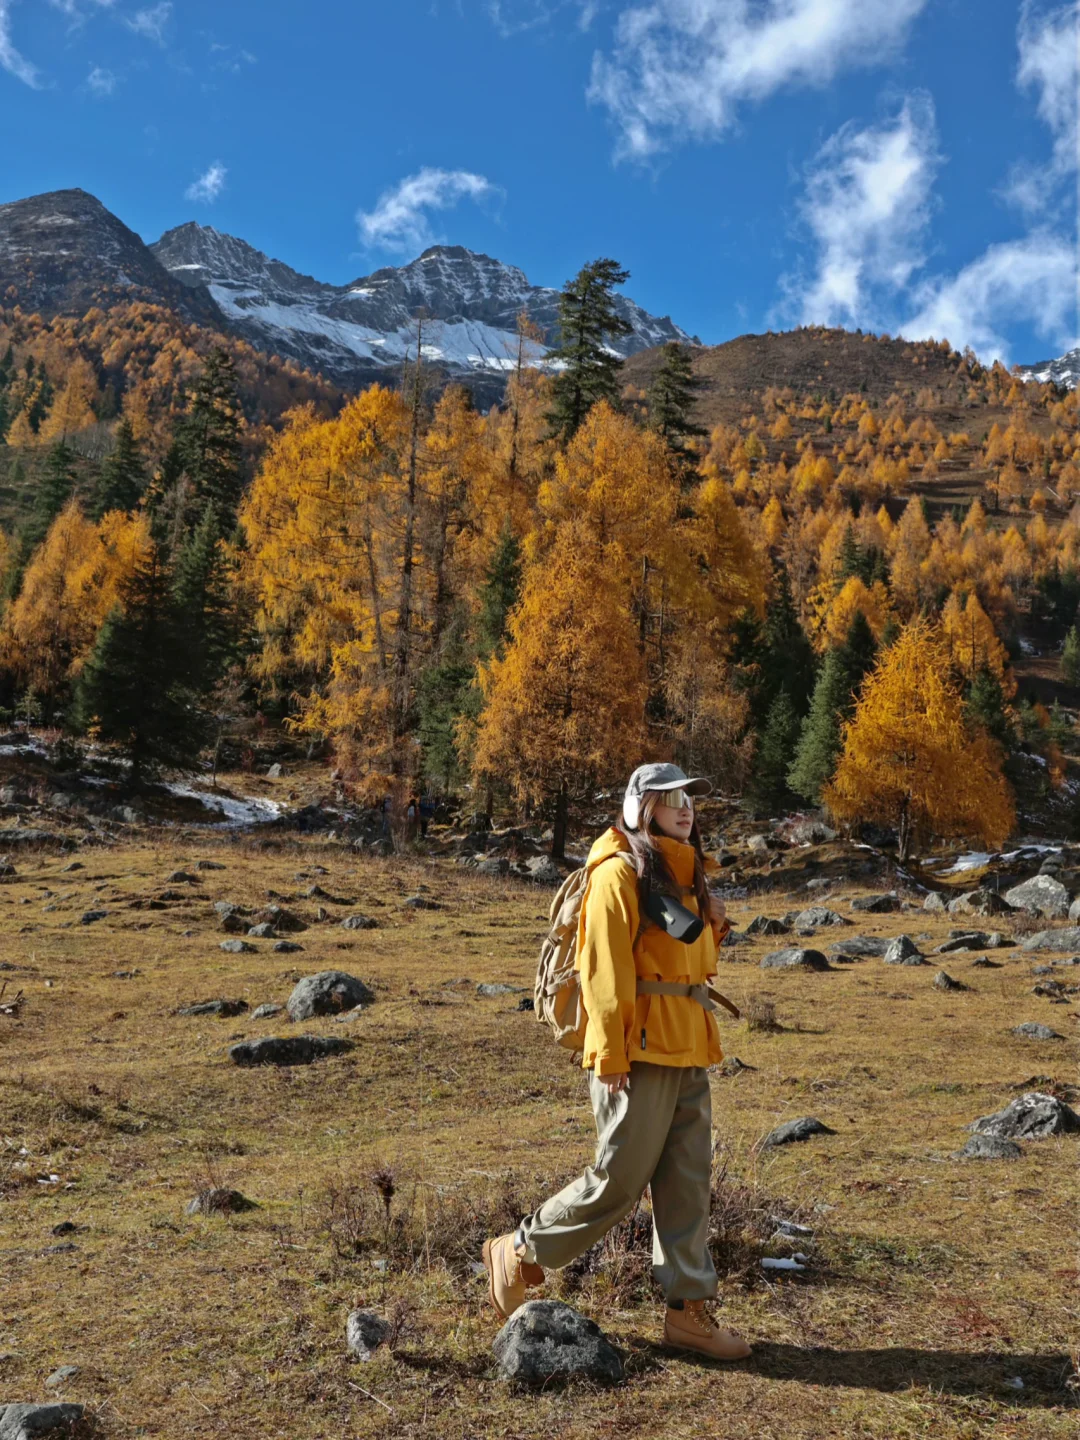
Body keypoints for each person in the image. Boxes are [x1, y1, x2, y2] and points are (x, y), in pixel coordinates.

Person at [481, 762, 752, 1362]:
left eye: (689, 797)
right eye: (670, 798)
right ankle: (521, 1250)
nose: (685, 807)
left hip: (688, 1044)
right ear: (640, 807)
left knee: (687, 1185)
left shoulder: (686, 875)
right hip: (637, 1050)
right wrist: (607, 1052)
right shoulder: (618, 872)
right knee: (619, 1180)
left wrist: (714, 924)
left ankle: (688, 1313)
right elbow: (604, 971)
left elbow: (690, 967)